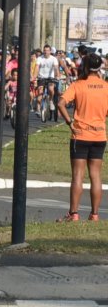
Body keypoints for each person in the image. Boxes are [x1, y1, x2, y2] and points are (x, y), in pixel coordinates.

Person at [56, 52, 107, 222]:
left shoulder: (78, 85)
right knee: (96, 175)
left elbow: (61, 103)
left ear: (85, 66)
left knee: (78, 175)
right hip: (99, 135)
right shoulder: (106, 86)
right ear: (100, 67)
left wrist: (69, 122)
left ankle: (74, 214)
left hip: (80, 134)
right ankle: (94, 214)